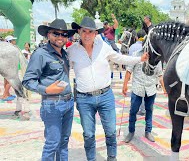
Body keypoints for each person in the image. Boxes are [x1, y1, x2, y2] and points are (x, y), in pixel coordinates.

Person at [68, 16, 149, 161]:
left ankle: (112, 158)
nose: (87, 35)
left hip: (105, 96)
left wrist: (139, 59)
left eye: (90, 32)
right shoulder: (72, 51)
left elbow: (120, 58)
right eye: (84, 31)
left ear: (95, 33)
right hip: (84, 99)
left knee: (111, 131)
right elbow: (61, 67)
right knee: (88, 134)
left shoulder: (103, 47)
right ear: (79, 32)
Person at [22, 19, 76, 161]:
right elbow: (27, 81)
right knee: (52, 143)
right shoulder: (40, 54)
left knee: (64, 142)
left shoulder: (65, 54)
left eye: (64, 34)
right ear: (48, 35)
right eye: (56, 33)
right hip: (52, 105)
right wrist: (46, 89)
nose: (60, 37)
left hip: (68, 103)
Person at [122, 45, 166, 143]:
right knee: (133, 111)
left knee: (149, 110)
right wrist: (125, 85)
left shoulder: (156, 58)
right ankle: (131, 131)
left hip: (150, 88)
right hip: (137, 88)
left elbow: (160, 74)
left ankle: (148, 131)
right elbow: (129, 70)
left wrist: (164, 88)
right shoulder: (136, 55)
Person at [1, 35, 18, 101]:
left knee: (6, 80)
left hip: (5, 66)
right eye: (13, 40)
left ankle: (7, 93)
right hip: (9, 66)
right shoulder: (10, 48)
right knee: (10, 81)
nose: (14, 41)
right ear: (10, 41)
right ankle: (5, 95)